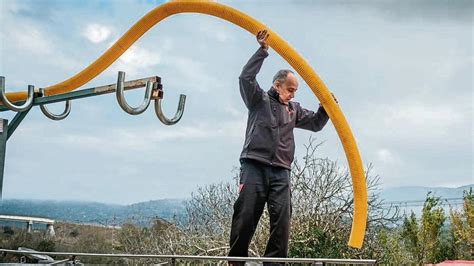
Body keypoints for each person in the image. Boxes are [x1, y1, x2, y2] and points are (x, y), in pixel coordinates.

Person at [228, 30, 337, 264]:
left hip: (281, 171)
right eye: (290, 89)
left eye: (295, 91)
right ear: (277, 85)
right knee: (246, 216)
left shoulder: (294, 109)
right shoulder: (258, 100)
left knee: (282, 220)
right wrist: (262, 51)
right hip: (254, 166)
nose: (293, 93)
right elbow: (245, 78)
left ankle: (274, 263)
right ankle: (236, 262)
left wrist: (326, 108)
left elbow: (317, 124)